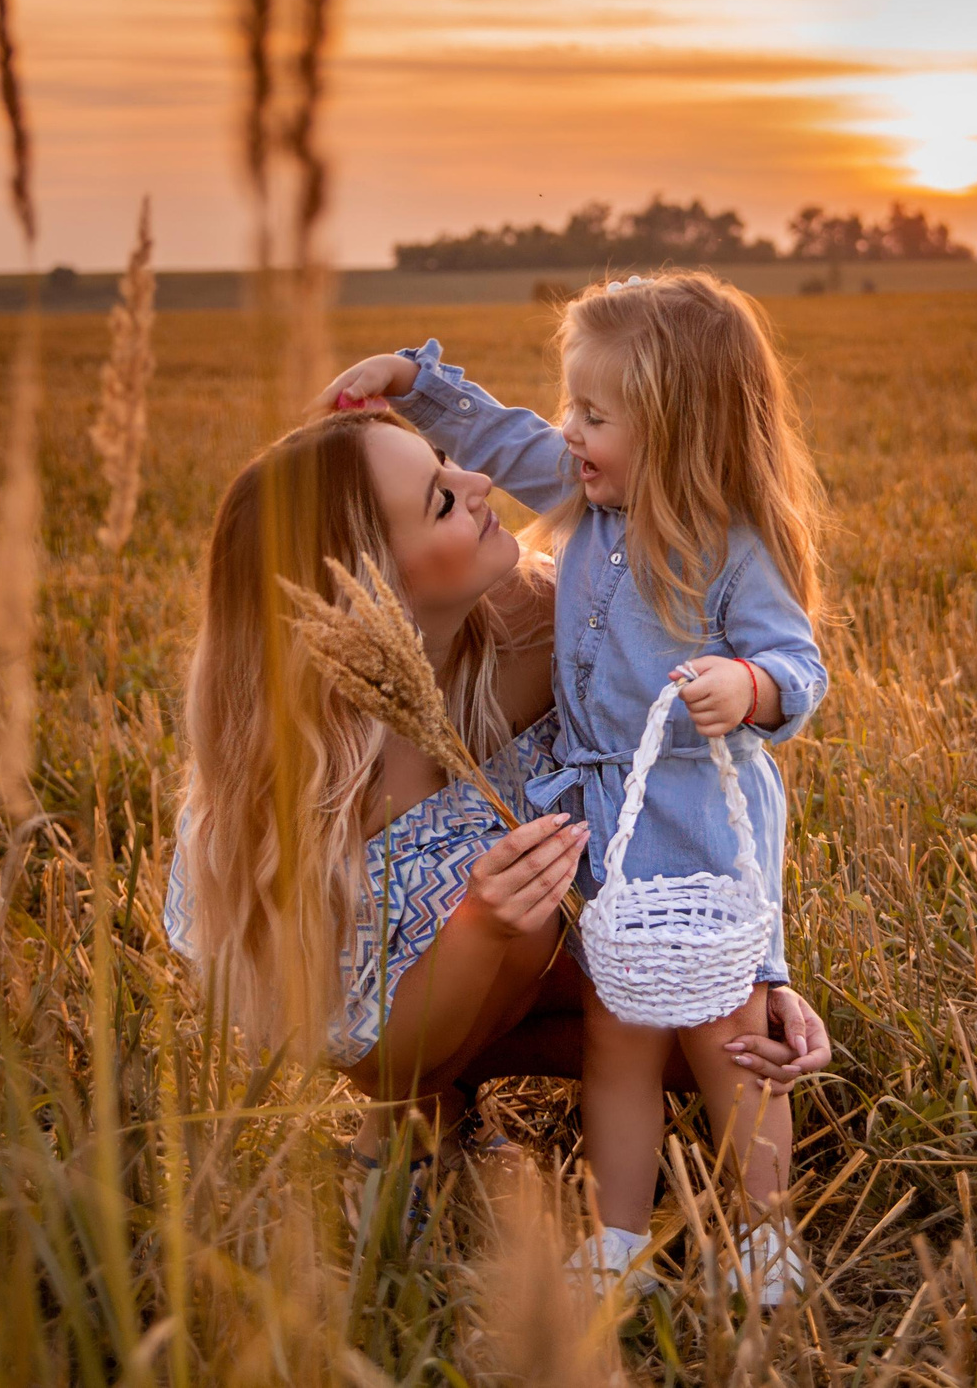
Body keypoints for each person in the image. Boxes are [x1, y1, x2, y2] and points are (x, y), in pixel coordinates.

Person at [161, 411, 832, 1245]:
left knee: (732, 1042)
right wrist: (479, 924)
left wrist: (760, 971)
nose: (480, 483)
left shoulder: (556, 629)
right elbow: (341, 1031)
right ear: (369, 583)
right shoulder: (297, 771)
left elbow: (702, 792)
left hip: (573, 950)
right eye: (441, 499)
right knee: (520, 923)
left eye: (449, 463)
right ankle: (415, 1116)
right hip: (394, 1018)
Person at [317, 269, 830, 1303]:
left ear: (679, 432)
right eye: (572, 405)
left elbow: (799, 666)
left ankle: (766, 1233)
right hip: (602, 826)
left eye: (594, 414)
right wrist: (417, 382)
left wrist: (749, 685)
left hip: (699, 827)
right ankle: (616, 1236)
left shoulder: (733, 550)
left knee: (730, 1039)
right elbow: (501, 437)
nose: (568, 431)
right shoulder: (589, 500)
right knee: (616, 1039)